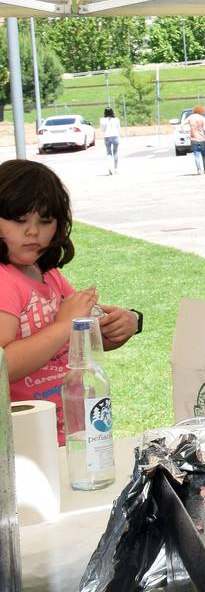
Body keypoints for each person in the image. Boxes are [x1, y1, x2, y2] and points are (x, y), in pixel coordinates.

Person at [0, 160, 139, 441]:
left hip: (66, 434)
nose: (33, 232)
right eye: (19, 220)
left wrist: (122, 325)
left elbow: (78, 340)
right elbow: (4, 365)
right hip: (23, 442)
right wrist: (65, 324)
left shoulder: (47, 274)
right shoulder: (4, 280)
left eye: (45, 221)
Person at [185, 104, 205, 174]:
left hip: (193, 138)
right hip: (202, 138)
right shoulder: (202, 118)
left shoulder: (190, 117)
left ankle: (199, 170)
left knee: (196, 154)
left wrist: (186, 134)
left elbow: (182, 125)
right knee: (204, 155)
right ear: (201, 110)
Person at [99, 106, 120, 175]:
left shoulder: (102, 120)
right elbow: (118, 128)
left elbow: (102, 130)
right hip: (115, 136)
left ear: (105, 112)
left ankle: (109, 167)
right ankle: (115, 168)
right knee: (115, 152)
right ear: (112, 112)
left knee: (109, 153)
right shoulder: (116, 119)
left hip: (107, 137)